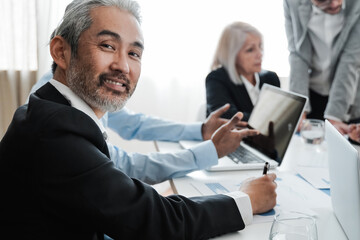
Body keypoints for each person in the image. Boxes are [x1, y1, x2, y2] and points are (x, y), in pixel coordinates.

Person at [0, 0, 277, 238]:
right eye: (107, 45)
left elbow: (120, 172)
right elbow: (157, 222)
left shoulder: (56, 109)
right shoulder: (56, 132)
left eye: (134, 53)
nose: (123, 66)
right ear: (61, 51)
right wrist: (245, 200)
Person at [30, 71, 234, 184]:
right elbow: (126, 166)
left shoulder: (87, 88)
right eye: (106, 45)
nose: (122, 66)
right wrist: (208, 152)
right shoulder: (61, 109)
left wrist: (200, 131)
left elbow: (134, 124)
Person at [283, 0, 360, 134]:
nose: (335, 4)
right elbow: (298, 56)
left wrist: (334, 117)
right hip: (313, 93)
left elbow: (350, 60)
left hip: (349, 95)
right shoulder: (292, 3)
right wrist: (299, 109)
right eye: (323, 0)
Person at [206, 21, 280, 121]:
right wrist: (271, 120)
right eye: (250, 50)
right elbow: (228, 119)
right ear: (232, 55)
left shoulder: (271, 78)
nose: (260, 54)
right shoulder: (216, 79)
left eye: (260, 46)